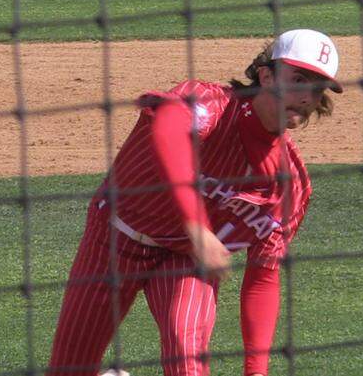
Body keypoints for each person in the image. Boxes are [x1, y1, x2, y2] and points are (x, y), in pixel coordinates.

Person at [47, 28, 344, 376]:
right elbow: (166, 130)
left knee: (186, 356)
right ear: (266, 76)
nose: (306, 96)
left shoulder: (287, 185)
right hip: (114, 235)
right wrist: (197, 226)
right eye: (297, 79)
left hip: (185, 256)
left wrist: (256, 370)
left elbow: (263, 276)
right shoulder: (210, 103)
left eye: (317, 87)